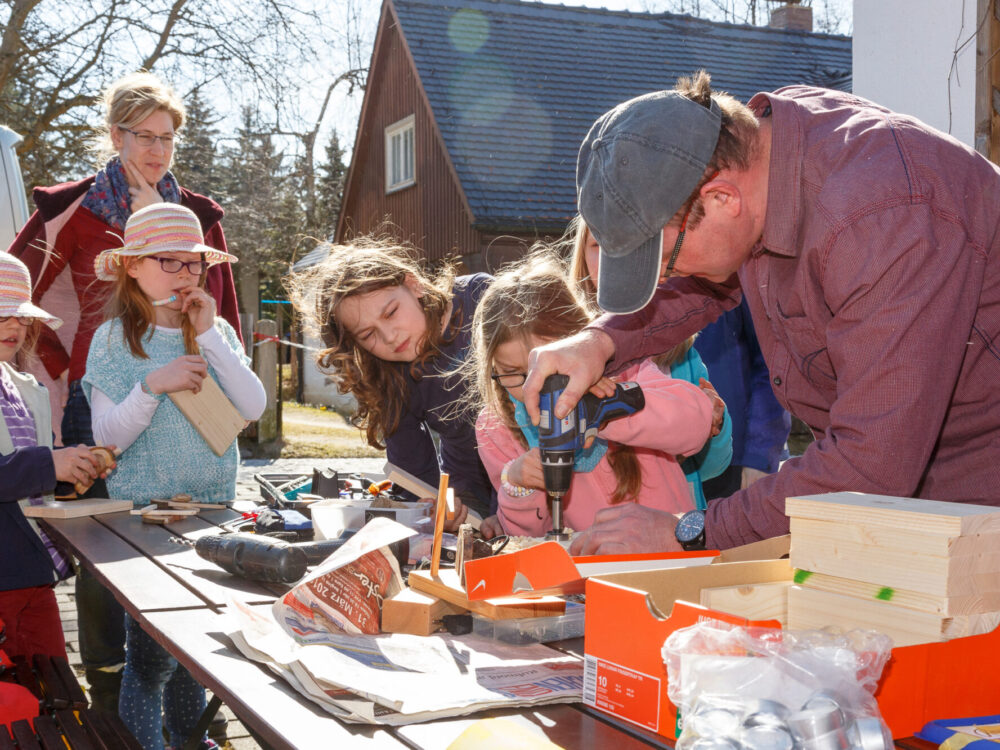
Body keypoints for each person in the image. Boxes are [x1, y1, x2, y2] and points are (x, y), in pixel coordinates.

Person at [523, 70, 1000, 555]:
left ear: (722, 198)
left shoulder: (881, 219)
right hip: (914, 497)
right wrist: (599, 342)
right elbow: (709, 279)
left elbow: (869, 467)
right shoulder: (765, 156)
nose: (666, 280)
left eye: (665, 261)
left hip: (978, 502)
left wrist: (688, 530)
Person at [7, 70, 241, 712]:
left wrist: (223, 367)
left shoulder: (197, 216)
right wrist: (57, 364)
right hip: (102, 389)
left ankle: (184, 677)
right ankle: (110, 686)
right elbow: (19, 289)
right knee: (108, 532)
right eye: (144, 136)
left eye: (168, 138)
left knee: (184, 520)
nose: (157, 150)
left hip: (185, 384)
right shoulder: (77, 210)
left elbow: (221, 305)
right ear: (115, 135)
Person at [82, 203, 264, 750]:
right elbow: (108, 439)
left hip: (213, 512)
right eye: (170, 261)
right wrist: (151, 385)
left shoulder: (217, 331)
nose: (186, 275)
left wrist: (208, 337)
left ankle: (191, 738)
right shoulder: (115, 340)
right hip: (143, 520)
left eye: (194, 264)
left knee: (197, 650)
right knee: (153, 658)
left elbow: (253, 406)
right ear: (132, 266)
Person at [470, 251, 715, 538]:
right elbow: (524, 536)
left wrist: (605, 412)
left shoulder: (626, 372)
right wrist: (517, 485)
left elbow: (696, 425)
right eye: (512, 372)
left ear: (579, 342)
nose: (532, 387)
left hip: (668, 558)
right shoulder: (496, 429)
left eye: (548, 367)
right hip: (585, 574)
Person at [288, 239, 495, 520]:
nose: (389, 336)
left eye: (391, 313)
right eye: (368, 334)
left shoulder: (482, 299)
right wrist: (446, 508)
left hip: (539, 476)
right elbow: (417, 485)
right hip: (473, 499)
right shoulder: (390, 381)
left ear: (413, 285)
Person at [569, 217, 733, 510]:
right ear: (581, 259)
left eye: (625, 246)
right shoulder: (570, 354)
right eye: (598, 246)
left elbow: (710, 468)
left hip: (677, 527)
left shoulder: (683, 356)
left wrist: (715, 426)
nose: (611, 260)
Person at [0, 253, 112, 662]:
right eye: (2, 315)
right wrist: (51, 465)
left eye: (22, 316)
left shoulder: (23, 384)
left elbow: (34, 462)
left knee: (53, 684)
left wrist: (72, 466)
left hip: (30, 566)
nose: (15, 325)